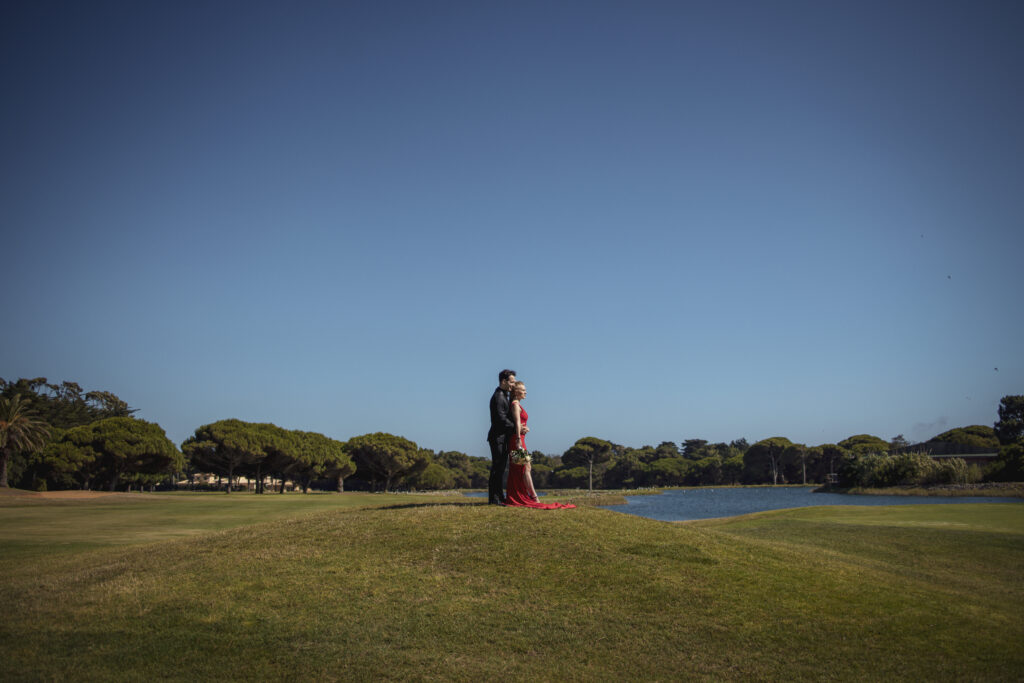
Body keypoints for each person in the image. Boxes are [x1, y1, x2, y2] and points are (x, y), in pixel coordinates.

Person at [504, 381, 576, 510]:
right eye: (523, 390)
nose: (525, 392)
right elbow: (516, 423)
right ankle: (534, 497)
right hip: (517, 441)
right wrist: (519, 436)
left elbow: (519, 424)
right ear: (516, 392)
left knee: (526, 467)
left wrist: (524, 429)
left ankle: (529, 495)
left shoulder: (518, 404)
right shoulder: (515, 405)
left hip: (520, 439)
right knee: (525, 468)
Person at [486, 369, 518, 505]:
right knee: (497, 468)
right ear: (503, 381)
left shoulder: (503, 395)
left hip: (501, 437)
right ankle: (494, 499)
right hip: (497, 437)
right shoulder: (499, 396)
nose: (513, 385)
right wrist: (517, 428)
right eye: (512, 382)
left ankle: (499, 497)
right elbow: (501, 418)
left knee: (500, 468)